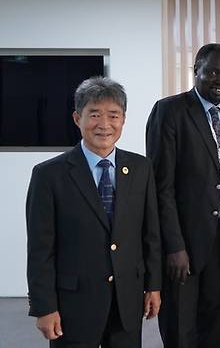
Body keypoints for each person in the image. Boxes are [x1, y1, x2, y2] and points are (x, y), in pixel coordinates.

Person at [26, 76, 161, 348]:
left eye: (113, 115)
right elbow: (41, 249)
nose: (104, 124)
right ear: (77, 118)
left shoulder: (140, 169)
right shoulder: (48, 175)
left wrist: (153, 285)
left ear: (123, 119)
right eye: (94, 114)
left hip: (127, 300)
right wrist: (44, 306)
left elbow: (151, 234)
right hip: (73, 305)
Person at [146, 44, 220, 348]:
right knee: (181, 328)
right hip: (185, 243)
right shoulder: (170, 111)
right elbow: (160, 186)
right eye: (213, 72)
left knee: (216, 324)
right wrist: (174, 245)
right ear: (196, 70)